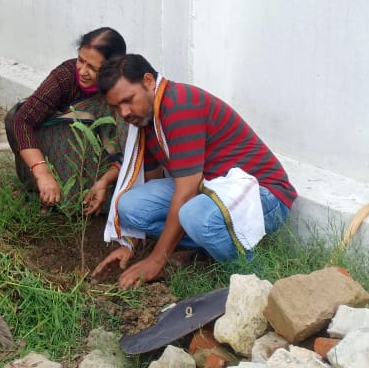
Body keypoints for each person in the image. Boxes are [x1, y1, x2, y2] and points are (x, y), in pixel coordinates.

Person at [89, 54, 297, 289]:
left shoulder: (179, 106)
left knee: (195, 216)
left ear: (148, 81)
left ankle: (255, 277)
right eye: (117, 107)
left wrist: (156, 260)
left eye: (128, 100)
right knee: (129, 206)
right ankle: (211, 247)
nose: (124, 112)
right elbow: (152, 180)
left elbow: (187, 193)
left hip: (264, 195)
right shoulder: (146, 117)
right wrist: (129, 244)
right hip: (211, 188)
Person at [4, 27, 128, 206]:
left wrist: (106, 179)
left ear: (112, 69)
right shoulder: (65, 76)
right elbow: (22, 121)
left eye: (93, 67)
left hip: (100, 162)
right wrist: (42, 173)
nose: (82, 71)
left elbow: (130, 145)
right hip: (58, 152)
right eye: (81, 60)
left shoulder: (125, 86)